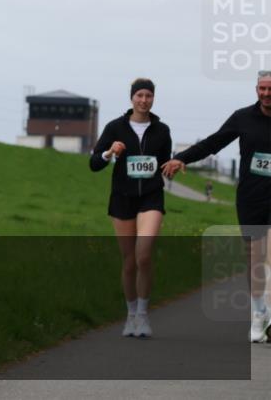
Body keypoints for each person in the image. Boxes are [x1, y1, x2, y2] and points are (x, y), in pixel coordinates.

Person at [162, 71, 271, 344]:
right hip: (251, 197)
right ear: (256, 89)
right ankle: (259, 315)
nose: (266, 94)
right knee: (254, 259)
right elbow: (214, 142)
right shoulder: (243, 118)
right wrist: (181, 158)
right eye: (262, 89)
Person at [89, 78, 172, 338]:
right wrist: (109, 152)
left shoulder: (162, 130)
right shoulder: (115, 127)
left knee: (143, 255)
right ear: (132, 98)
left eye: (148, 95)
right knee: (129, 262)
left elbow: (164, 163)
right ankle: (131, 315)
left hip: (150, 197)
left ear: (153, 99)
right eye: (139, 96)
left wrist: (173, 167)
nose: (144, 100)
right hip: (123, 197)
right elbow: (94, 163)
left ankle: (144, 315)